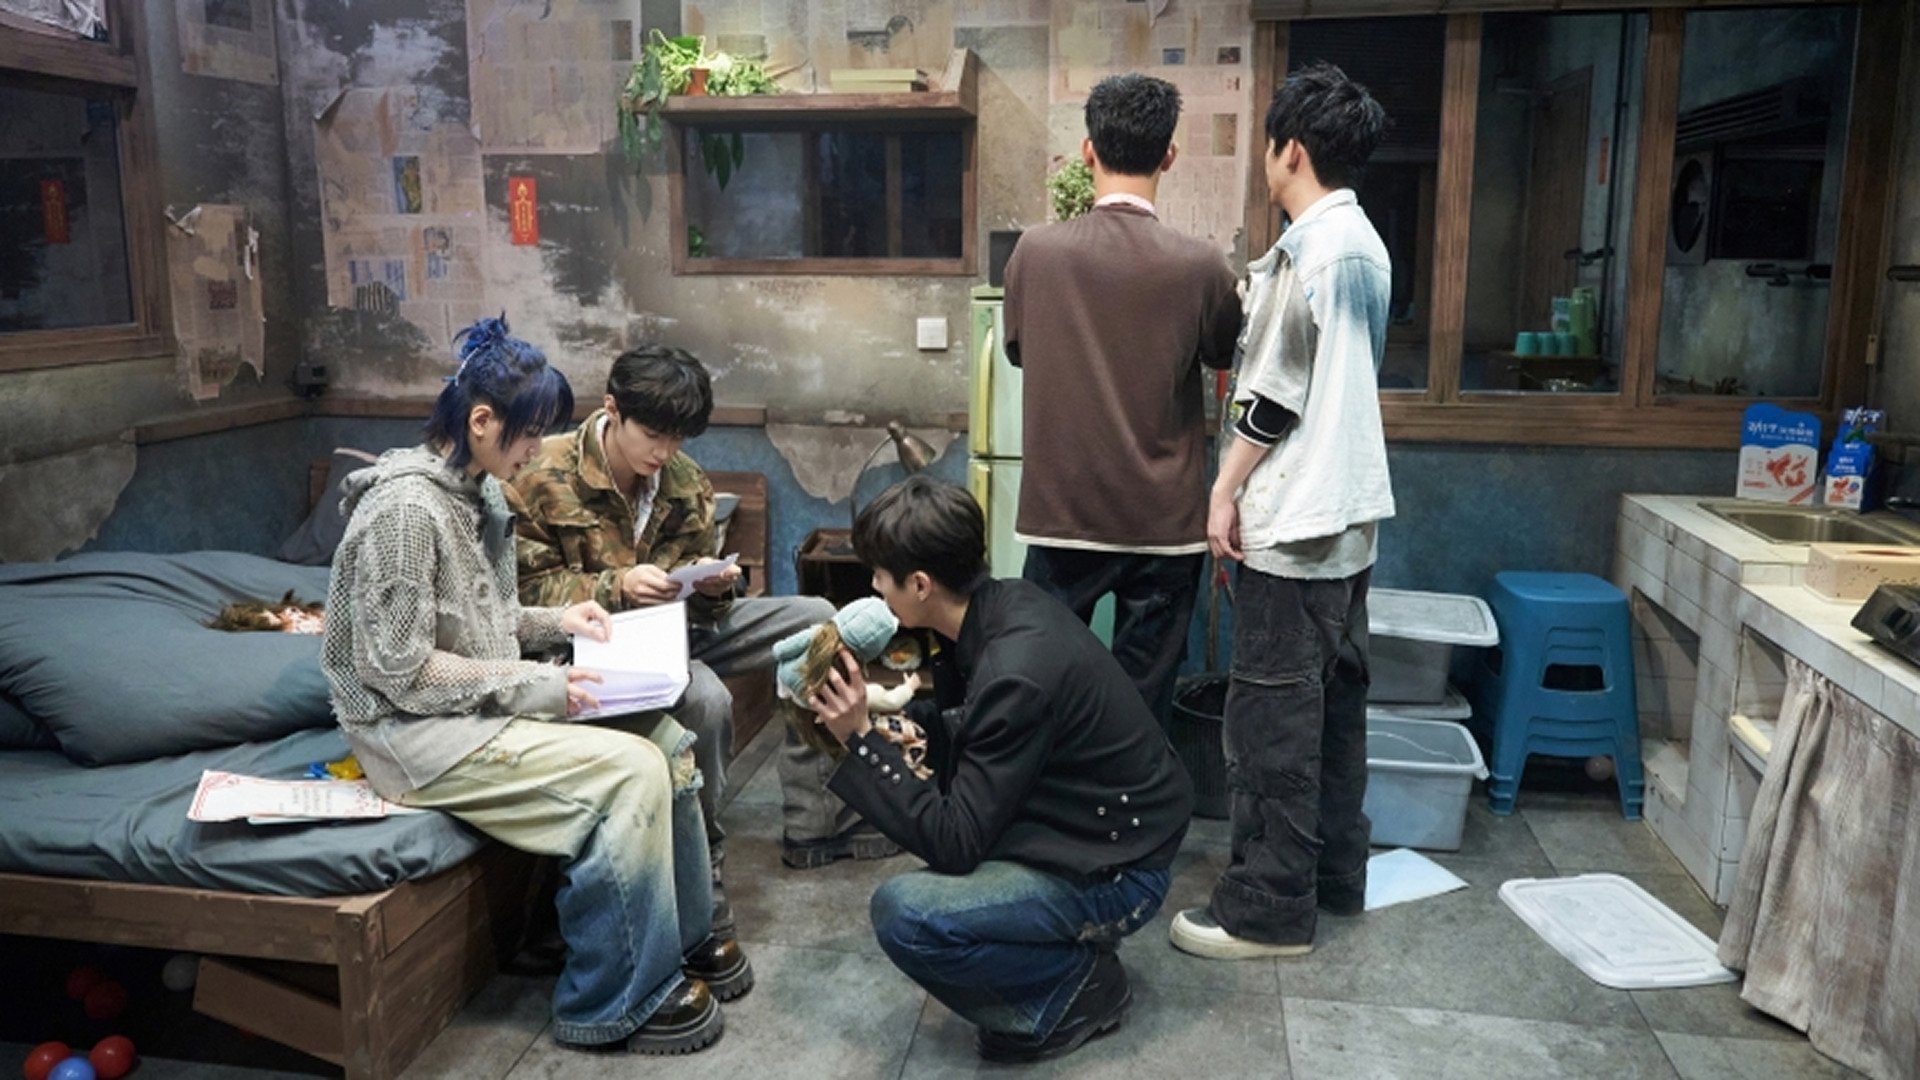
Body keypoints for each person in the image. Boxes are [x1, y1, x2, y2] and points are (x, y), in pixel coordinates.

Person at [322, 317, 744, 1055]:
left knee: (669, 742)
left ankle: (682, 936)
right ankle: (608, 997)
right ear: (481, 421)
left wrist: (559, 620)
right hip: (414, 735)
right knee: (632, 772)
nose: (533, 450)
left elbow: (484, 618)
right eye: (527, 435)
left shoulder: (475, 493)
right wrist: (540, 684)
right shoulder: (405, 512)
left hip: (476, 706)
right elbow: (401, 672)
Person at [806, 476, 1193, 1063]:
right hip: (1091, 828)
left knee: (907, 914)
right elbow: (978, 729)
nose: (874, 587)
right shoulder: (1002, 606)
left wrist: (860, 741)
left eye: (880, 575)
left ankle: (1074, 989)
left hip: (1121, 872)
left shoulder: (1016, 668)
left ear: (920, 584)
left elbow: (956, 841)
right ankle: (1060, 961)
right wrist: (900, 724)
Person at [509, 346, 899, 898]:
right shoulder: (540, 473)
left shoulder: (684, 480)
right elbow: (520, 595)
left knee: (819, 622)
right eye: (653, 435)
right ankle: (701, 857)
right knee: (707, 697)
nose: (664, 452)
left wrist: (714, 587)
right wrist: (617, 586)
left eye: (678, 439)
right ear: (612, 408)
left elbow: (704, 596)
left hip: (678, 629)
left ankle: (818, 819)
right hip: (592, 646)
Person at [1168, 62, 1395, 961]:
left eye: (1268, 146)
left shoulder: (1308, 251)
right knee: (1333, 714)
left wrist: (1222, 490)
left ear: (1289, 149)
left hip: (1295, 524)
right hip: (1348, 524)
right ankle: (1334, 875)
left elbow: (1270, 399)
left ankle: (1266, 908)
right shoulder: (1366, 243)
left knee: (1270, 724)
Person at [1002, 73, 1243, 730]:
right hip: (1163, 524)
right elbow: (1223, 353)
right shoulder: (1203, 265)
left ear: (1088, 151)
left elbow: (1019, 350)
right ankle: (1128, 795)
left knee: (1040, 684)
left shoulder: (1035, 252)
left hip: (1060, 514)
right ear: (1169, 155)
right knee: (1143, 699)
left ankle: (1049, 790)